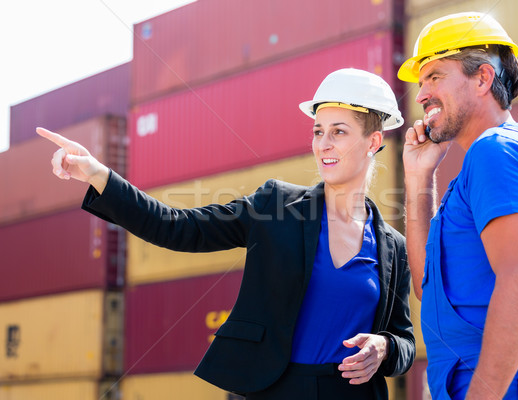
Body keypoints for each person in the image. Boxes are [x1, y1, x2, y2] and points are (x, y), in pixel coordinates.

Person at [37, 68, 415, 399]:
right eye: (318, 131)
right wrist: (98, 175)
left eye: (339, 132)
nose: (323, 144)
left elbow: (405, 341)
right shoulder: (275, 206)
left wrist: (383, 347)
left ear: (373, 142)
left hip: (352, 396)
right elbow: (176, 227)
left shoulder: (393, 248)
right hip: (274, 391)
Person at [399, 12, 518, 399]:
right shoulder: (480, 164)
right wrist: (418, 178)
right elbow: (428, 287)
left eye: (435, 76)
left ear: (482, 78)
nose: (422, 93)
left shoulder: (496, 152)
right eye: (421, 81)